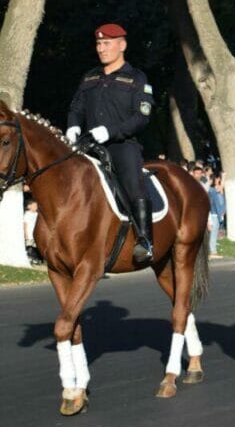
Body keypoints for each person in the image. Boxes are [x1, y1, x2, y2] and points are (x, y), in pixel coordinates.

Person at [66, 23, 156, 263]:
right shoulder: (90, 77)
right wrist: (73, 125)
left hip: (121, 144)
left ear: (122, 45)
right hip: (89, 145)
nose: (101, 48)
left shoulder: (136, 78)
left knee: (131, 182)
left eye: (106, 43)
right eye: (98, 43)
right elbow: (76, 107)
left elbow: (142, 116)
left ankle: (144, 241)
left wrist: (111, 131)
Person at [208, 170, 226, 258]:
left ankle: (212, 250)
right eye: (216, 178)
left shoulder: (215, 189)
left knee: (214, 233)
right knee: (213, 233)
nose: (217, 180)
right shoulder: (212, 190)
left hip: (217, 214)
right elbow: (217, 203)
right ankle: (213, 251)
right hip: (214, 214)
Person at [24, 198, 44, 265]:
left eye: (36, 206)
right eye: (34, 206)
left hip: (36, 234)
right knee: (29, 246)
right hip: (29, 234)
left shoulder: (37, 214)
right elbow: (25, 224)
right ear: (29, 206)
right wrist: (25, 234)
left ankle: (36, 259)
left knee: (36, 247)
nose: (36, 207)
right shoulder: (27, 214)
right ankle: (30, 258)